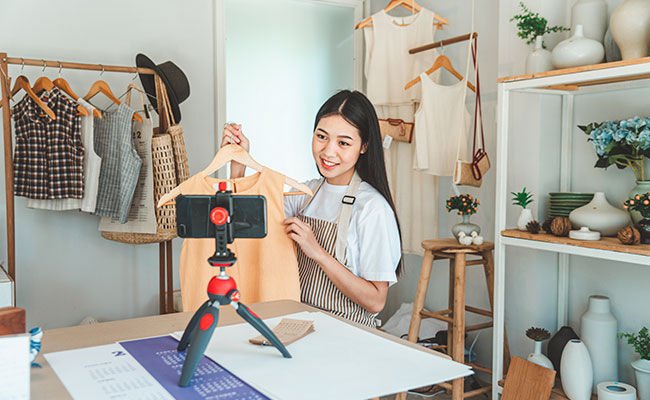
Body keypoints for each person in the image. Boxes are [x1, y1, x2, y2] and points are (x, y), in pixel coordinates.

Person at [221, 90, 401, 327]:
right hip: (298, 325)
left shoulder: (372, 207)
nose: (328, 151)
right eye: (321, 136)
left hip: (347, 336)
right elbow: (241, 219)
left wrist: (316, 250)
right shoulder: (305, 195)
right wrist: (238, 163)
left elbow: (376, 301)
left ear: (364, 146)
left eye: (343, 143)